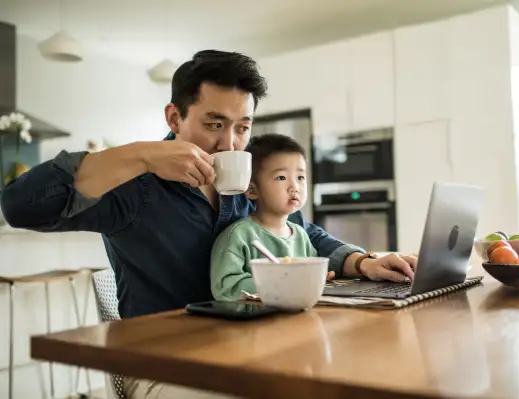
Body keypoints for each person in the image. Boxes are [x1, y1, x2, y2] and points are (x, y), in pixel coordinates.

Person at [0, 49, 416, 398]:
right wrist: (142, 155)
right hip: (165, 363)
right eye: (215, 124)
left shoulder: (242, 186)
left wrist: (362, 263)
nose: (229, 144)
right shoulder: (133, 186)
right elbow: (19, 206)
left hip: (251, 346)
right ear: (174, 117)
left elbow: (301, 232)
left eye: (243, 128)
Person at [211, 133, 330, 300]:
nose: (294, 187)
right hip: (253, 322)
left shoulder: (301, 235)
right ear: (252, 190)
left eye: (300, 177)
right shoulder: (239, 236)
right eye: (281, 177)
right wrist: (278, 284)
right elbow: (226, 287)